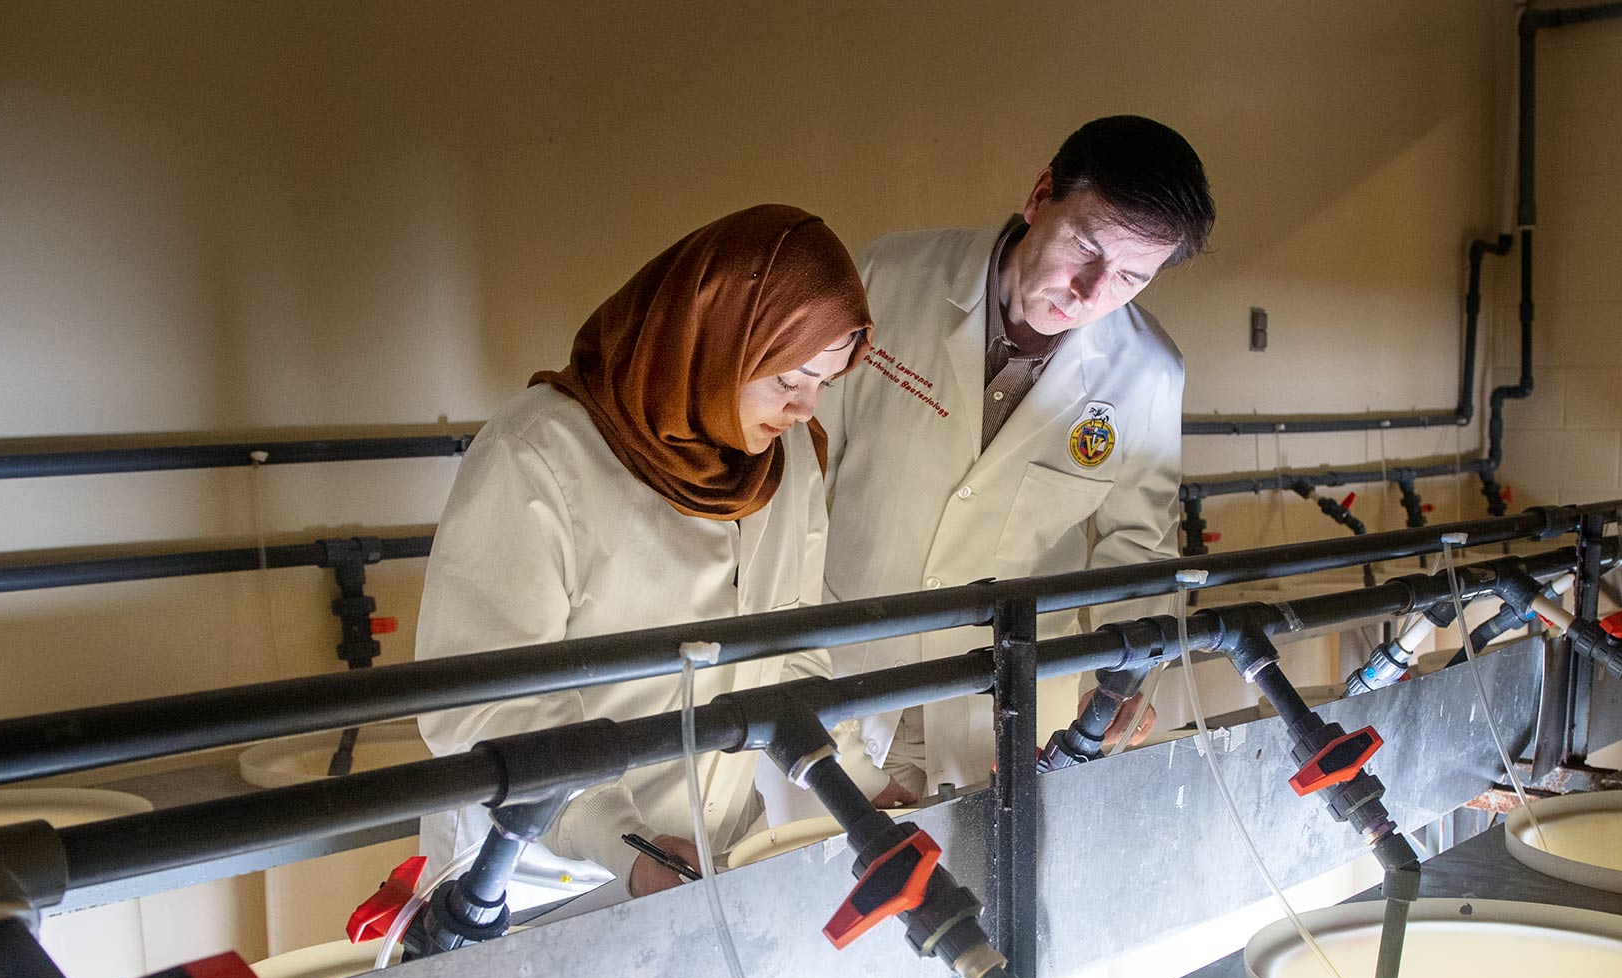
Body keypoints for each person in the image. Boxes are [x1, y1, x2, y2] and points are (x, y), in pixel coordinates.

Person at [414, 204, 872, 908]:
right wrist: (622, 843)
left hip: (711, 856)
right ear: (714, 340)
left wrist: (857, 785)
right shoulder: (539, 453)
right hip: (537, 877)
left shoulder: (786, 464)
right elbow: (486, 702)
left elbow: (793, 648)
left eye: (823, 385)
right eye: (788, 380)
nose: (805, 409)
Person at [814, 115, 1214, 797]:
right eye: (1085, 247)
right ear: (1040, 196)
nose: (1091, 293)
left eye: (1130, 277)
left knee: (985, 893)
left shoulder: (1148, 373)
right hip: (841, 671)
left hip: (1002, 703)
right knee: (818, 881)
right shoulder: (891, 278)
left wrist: (1122, 673)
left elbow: (1136, 547)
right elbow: (804, 476)